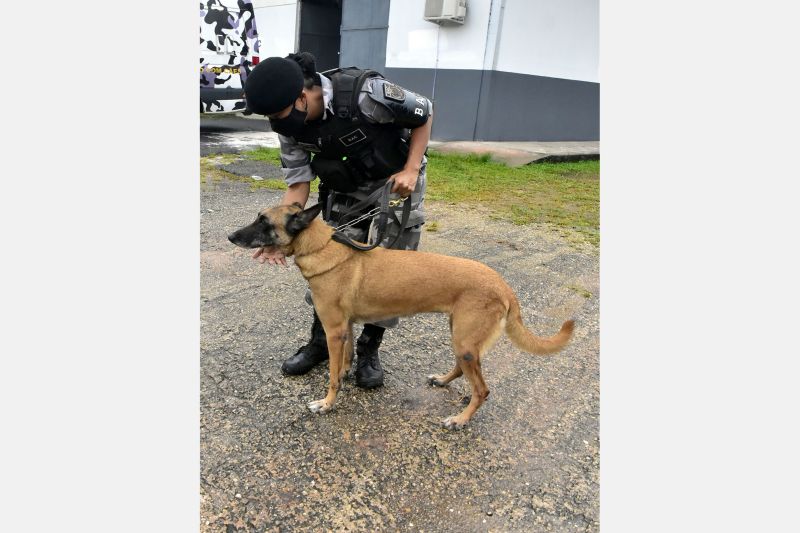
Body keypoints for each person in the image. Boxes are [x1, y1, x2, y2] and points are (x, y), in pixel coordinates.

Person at [243, 52, 433, 389]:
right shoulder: (290, 126)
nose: (276, 122)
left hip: (394, 181)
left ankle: (369, 348)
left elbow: (424, 112)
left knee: (389, 267)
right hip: (346, 184)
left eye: (277, 114)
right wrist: (280, 236)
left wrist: (411, 169)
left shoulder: (366, 94)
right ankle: (321, 343)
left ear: (302, 97)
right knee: (327, 261)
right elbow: (298, 185)